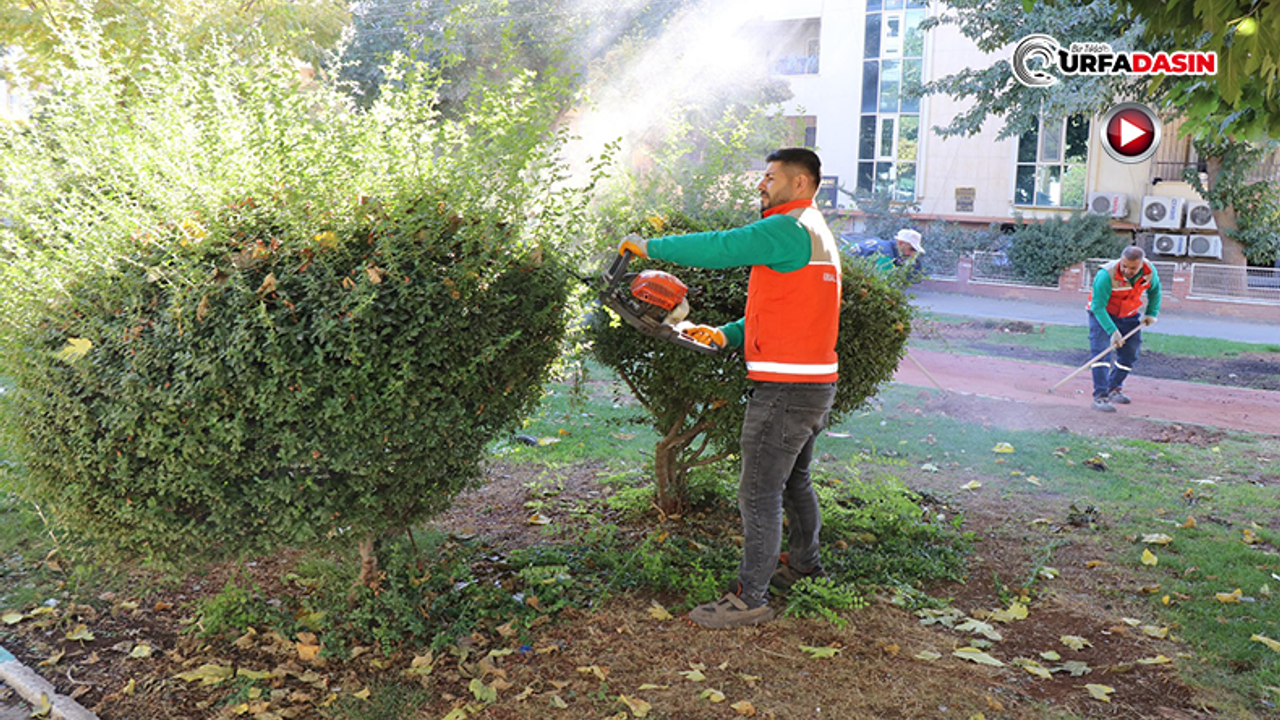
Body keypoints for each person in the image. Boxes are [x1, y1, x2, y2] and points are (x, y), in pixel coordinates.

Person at [616, 148, 840, 629]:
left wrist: (650, 247)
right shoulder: (813, 230)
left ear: (800, 183)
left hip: (785, 390)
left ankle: (750, 598)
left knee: (759, 493)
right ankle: (804, 565)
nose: (761, 185)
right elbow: (788, 308)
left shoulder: (787, 228)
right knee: (793, 481)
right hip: (814, 384)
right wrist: (725, 335)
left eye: (770, 177)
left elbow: (722, 247)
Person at [1087, 245, 1161, 413]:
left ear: (1141, 264)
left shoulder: (1149, 271)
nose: (1127, 270)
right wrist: (1112, 331)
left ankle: (1114, 387)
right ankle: (1100, 396)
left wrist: (1151, 313)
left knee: (1130, 353)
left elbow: (1155, 291)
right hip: (1102, 314)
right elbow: (1097, 307)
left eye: (1133, 268)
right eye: (1124, 266)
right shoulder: (1106, 275)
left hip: (1129, 314)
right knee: (1101, 352)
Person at [851, 228, 925, 277]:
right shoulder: (886, 257)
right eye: (911, 249)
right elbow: (880, 285)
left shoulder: (881, 243)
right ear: (900, 243)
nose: (912, 255)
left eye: (915, 251)